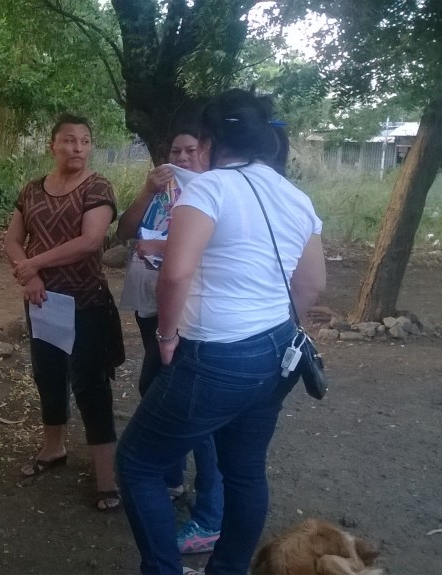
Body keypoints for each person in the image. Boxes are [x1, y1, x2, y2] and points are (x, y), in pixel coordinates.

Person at [116, 89, 326, 575]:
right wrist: (268, 321)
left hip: (214, 353)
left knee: (138, 464)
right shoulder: (294, 196)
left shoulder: (208, 189)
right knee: (246, 470)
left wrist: (166, 337)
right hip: (276, 352)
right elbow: (313, 283)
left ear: (209, 142)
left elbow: (174, 272)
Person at [2, 113, 122, 512]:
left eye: (85, 141)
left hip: (85, 303)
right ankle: (53, 449)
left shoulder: (98, 187)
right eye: (69, 140)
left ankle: (106, 476)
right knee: (48, 374)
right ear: (52, 145)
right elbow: (13, 239)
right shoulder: (32, 190)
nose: (78, 148)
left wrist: (36, 264)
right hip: (41, 301)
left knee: (90, 385)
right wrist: (29, 275)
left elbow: (91, 242)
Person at [116, 128, 224, 554]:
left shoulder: (213, 191)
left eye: (191, 150)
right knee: (152, 387)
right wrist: (146, 189)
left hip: (187, 313)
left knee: (193, 411)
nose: (181, 157)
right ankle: (172, 477)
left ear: (208, 154)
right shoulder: (165, 191)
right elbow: (125, 230)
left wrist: (157, 243)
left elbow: (208, 247)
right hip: (149, 304)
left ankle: (210, 514)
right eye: (174, 150)